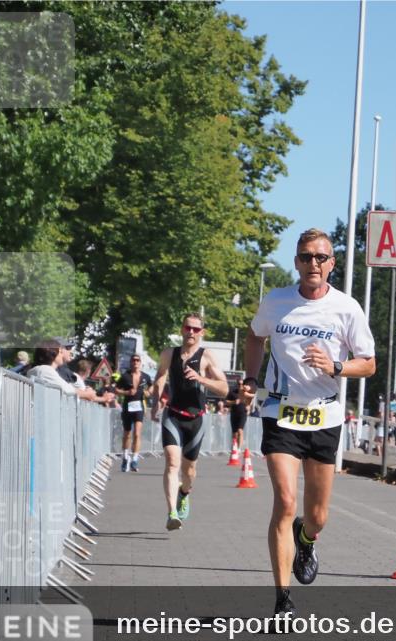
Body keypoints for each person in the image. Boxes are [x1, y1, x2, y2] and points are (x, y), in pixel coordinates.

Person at [242, 228, 376, 616]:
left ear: (331, 263)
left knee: (317, 516)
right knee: (284, 502)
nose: (312, 264)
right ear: (296, 262)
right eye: (305, 257)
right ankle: (283, 600)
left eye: (320, 257)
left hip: (324, 415)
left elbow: (368, 364)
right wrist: (251, 379)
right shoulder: (276, 301)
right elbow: (254, 338)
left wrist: (335, 365)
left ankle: (307, 538)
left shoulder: (346, 308)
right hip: (281, 413)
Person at [150, 313, 229, 531]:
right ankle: (171, 513)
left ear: (201, 332)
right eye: (188, 328)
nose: (191, 332)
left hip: (196, 419)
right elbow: (160, 376)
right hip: (173, 415)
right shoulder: (169, 353)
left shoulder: (207, 357)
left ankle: (184, 494)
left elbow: (224, 389)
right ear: (182, 329)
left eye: (196, 329)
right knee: (172, 461)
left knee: (189, 471)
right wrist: (156, 401)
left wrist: (201, 378)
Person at [115, 354, 152, 472]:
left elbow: (152, 387)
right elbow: (116, 389)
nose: (135, 362)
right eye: (133, 360)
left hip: (139, 407)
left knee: (137, 433)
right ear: (131, 362)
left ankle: (135, 459)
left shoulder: (145, 376)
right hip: (127, 406)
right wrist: (126, 393)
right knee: (127, 434)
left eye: (137, 360)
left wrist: (148, 393)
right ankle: (126, 457)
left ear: (140, 363)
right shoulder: (125, 376)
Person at [225, 377, 250, 454]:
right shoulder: (233, 392)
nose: (240, 385)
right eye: (239, 384)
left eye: (242, 384)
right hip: (234, 413)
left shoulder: (246, 393)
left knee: (240, 430)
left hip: (243, 413)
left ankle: (239, 448)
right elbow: (226, 402)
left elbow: (250, 400)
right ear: (237, 383)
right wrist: (233, 402)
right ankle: (234, 447)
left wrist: (249, 406)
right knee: (234, 433)